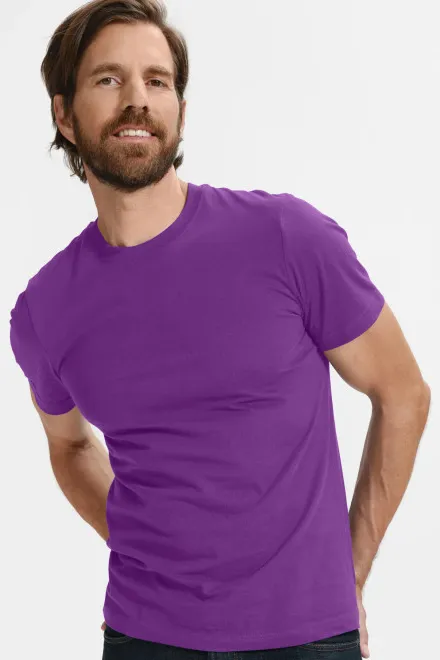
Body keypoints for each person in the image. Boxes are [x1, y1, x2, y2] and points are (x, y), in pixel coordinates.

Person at [9, 2, 430, 659]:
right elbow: (68, 446)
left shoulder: (287, 238)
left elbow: (402, 393)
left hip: (308, 638)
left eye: (156, 80)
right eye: (109, 79)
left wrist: (348, 573)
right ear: (64, 114)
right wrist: (146, 549)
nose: (137, 98)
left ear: (179, 109)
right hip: (143, 637)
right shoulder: (44, 310)